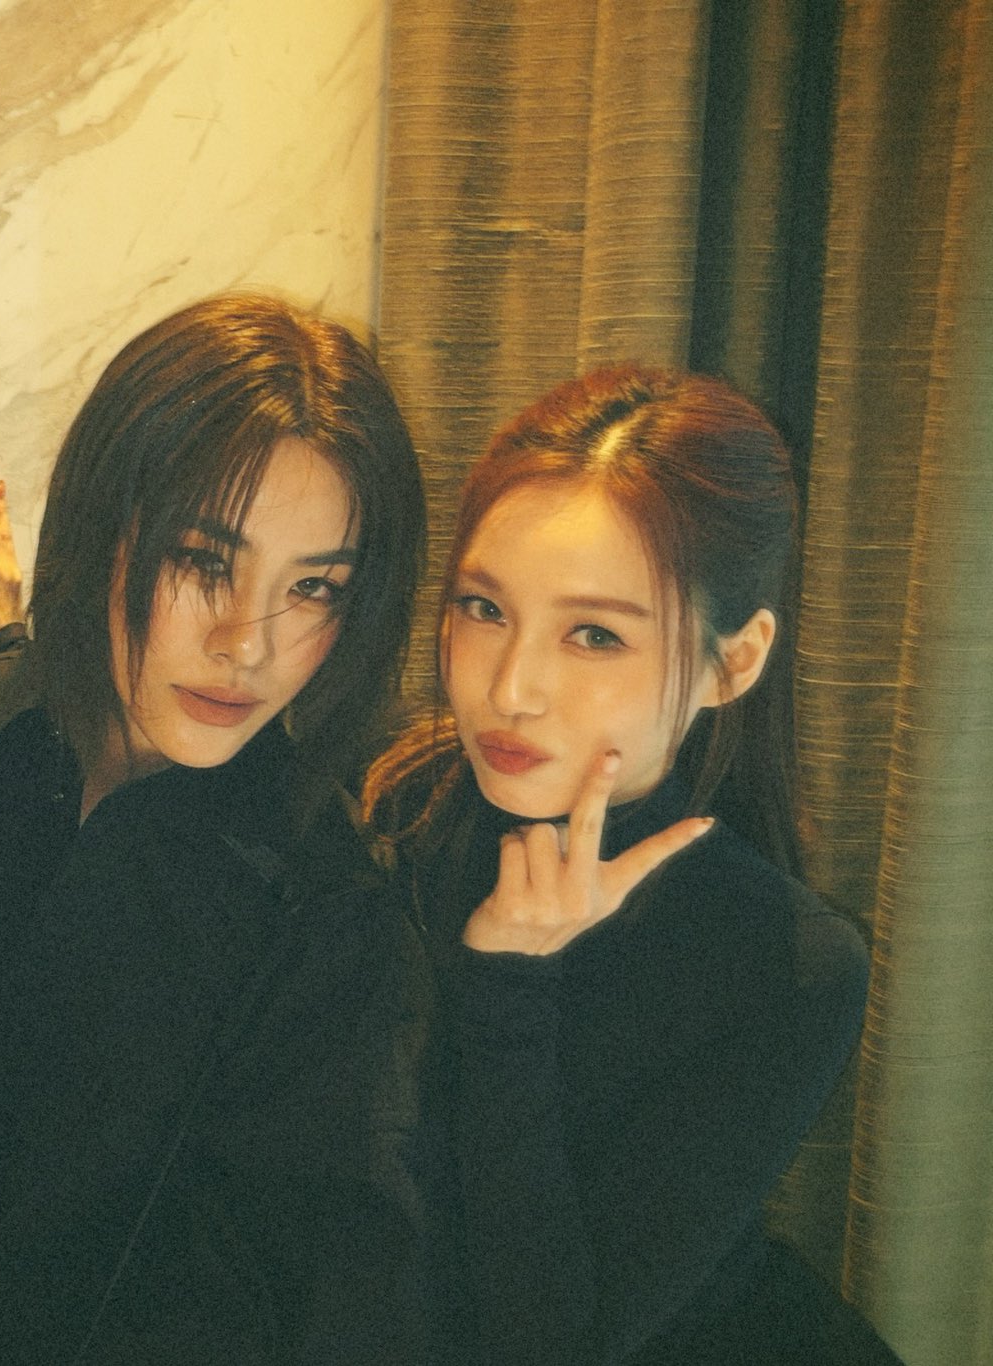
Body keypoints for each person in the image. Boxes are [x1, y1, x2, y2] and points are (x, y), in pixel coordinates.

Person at [0, 292, 429, 1363]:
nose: (246, 642)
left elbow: (287, 1291)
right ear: (102, 525)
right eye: (203, 561)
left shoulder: (324, 905)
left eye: (312, 588)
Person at [363, 365, 893, 1364]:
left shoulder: (785, 962)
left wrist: (507, 984)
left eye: (594, 635)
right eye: (482, 608)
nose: (510, 689)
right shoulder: (385, 808)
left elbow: (542, 1341)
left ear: (733, 661)